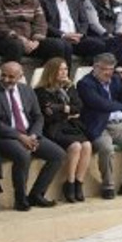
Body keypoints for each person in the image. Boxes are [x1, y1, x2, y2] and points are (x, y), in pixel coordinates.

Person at [77, 53, 122, 199]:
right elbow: (100, 104)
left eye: (111, 69)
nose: (109, 73)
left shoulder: (116, 79)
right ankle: (108, 186)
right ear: (96, 67)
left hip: (119, 127)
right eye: (105, 69)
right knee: (106, 149)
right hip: (99, 127)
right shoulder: (85, 83)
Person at [0, 60, 66, 210]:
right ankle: (21, 199)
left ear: (20, 76)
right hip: (6, 136)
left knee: (58, 155)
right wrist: (20, 137)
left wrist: (34, 135)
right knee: (23, 155)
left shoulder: (27, 90)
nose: (6, 80)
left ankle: (36, 194)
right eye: (3, 75)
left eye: (11, 77)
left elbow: (38, 116)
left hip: (30, 134)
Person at [32, 58, 92, 201]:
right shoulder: (41, 91)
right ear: (52, 71)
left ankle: (79, 182)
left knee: (87, 145)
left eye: (65, 69)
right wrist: (68, 111)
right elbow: (49, 114)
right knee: (76, 146)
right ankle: (69, 183)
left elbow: (78, 108)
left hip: (71, 126)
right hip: (53, 128)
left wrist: (62, 109)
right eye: (60, 69)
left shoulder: (69, 87)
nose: (64, 72)